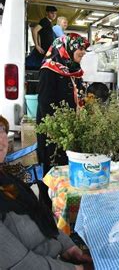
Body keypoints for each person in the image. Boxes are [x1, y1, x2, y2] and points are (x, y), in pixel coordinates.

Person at [0, 116, 93, 270]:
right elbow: (21, 265)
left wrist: (69, 249)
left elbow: (42, 217)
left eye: (1, 130)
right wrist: (77, 269)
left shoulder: (7, 180)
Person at [36, 34, 89, 209]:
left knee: (65, 167)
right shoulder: (49, 69)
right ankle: (46, 207)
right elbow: (44, 103)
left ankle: (64, 206)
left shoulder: (73, 69)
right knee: (52, 167)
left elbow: (78, 94)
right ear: (67, 48)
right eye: (80, 48)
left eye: (84, 49)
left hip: (70, 128)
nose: (83, 52)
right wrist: (56, 130)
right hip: (53, 130)